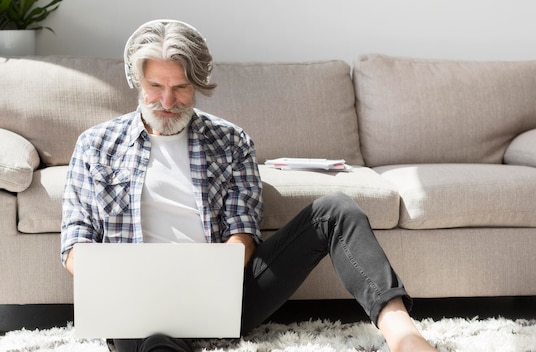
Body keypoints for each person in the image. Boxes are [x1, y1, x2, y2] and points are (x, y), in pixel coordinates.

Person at [60, 19, 437, 352]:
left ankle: (404, 336)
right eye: (155, 86)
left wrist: (206, 274)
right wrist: (125, 282)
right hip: (135, 303)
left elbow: (243, 234)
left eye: (182, 87)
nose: (168, 100)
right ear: (135, 80)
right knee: (145, 329)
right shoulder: (96, 145)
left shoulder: (231, 140)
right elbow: (75, 243)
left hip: (222, 294)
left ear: (200, 85)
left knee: (336, 210)